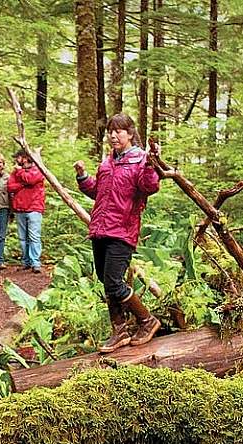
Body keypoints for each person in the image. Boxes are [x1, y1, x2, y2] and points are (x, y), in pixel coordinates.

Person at [74, 112, 162, 353]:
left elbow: (149, 186)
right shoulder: (107, 162)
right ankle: (120, 330)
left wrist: (152, 165)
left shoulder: (141, 160)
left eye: (119, 131)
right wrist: (83, 177)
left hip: (122, 230)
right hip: (100, 228)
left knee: (114, 281)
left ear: (130, 134)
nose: (113, 135)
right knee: (106, 280)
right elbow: (98, 192)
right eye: (110, 131)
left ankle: (147, 320)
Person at [8, 149, 46, 274]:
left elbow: (31, 180)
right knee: (22, 238)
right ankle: (26, 262)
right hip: (19, 209)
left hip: (34, 208)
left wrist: (20, 174)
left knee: (34, 236)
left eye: (18, 157)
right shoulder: (15, 172)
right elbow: (10, 187)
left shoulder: (38, 169)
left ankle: (35, 263)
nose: (16, 160)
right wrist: (22, 184)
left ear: (25, 157)